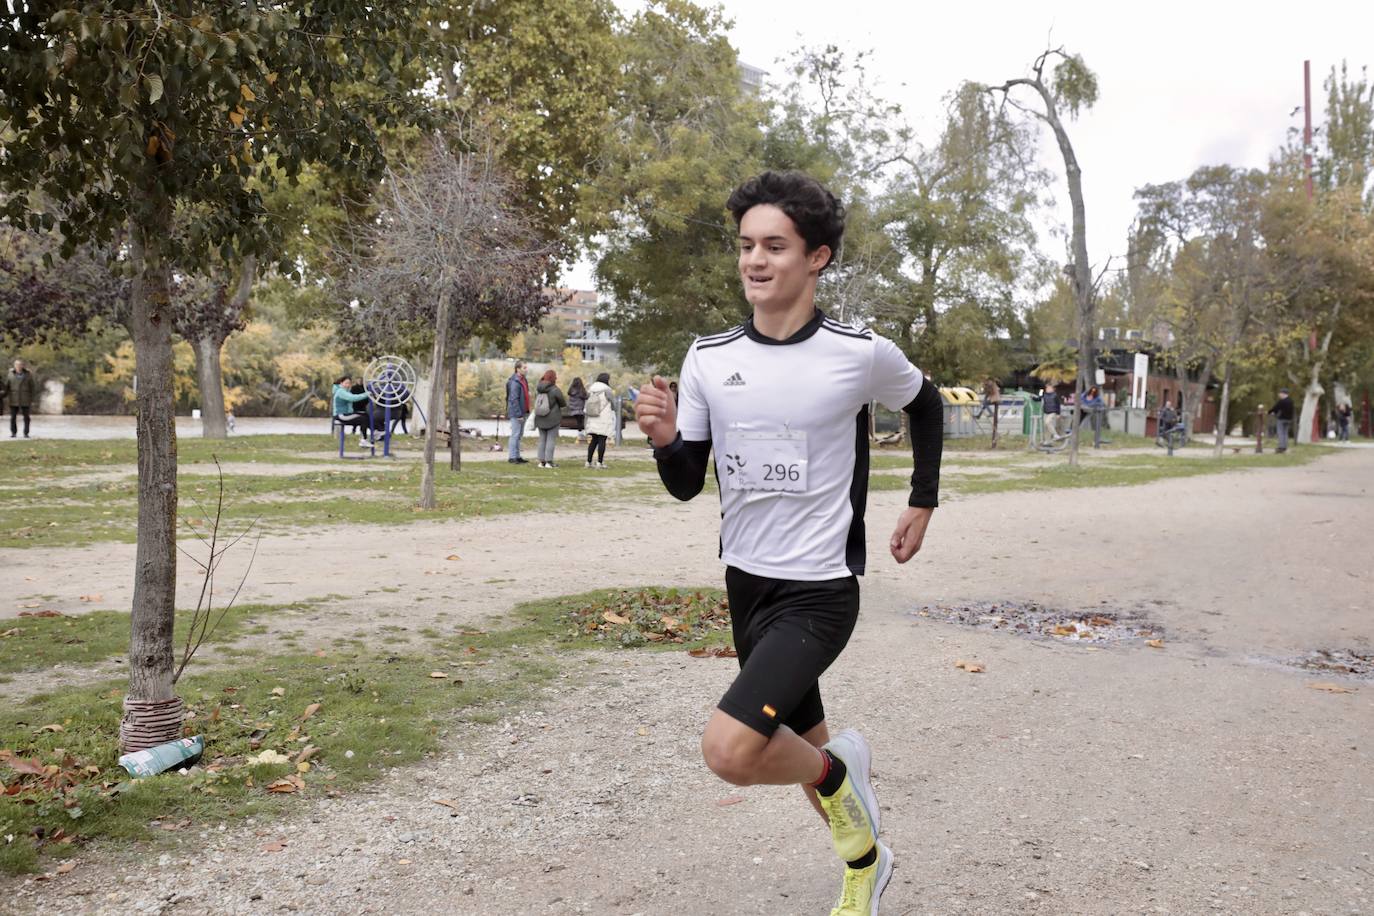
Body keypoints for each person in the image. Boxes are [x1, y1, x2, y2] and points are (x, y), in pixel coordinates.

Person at [635, 170, 942, 916]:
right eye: (746, 246)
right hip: (748, 584)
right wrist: (665, 438)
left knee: (733, 751)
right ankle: (867, 865)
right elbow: (686, 482)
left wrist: (922, 501)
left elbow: (927, 403)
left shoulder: (858, 352)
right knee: (792, 747)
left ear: (818, 258)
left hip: (820, 590)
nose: (755, 261)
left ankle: (842, 775)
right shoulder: (708, 358)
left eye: (775, 245)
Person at [533, 369, 567, 469]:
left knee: (542, 439)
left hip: (539, 418)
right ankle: (549, 462)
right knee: (550, 440)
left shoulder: (538, 388)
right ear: (553, 378)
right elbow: (563, 403)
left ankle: (541, 462)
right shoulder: (555, 389)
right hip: (553, 418)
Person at [584, 372, 616, 468]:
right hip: (603, 417)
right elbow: (613, 403)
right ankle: (599, 462)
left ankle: (588, 461)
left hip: (592, 416)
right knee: (602, 439)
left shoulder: (591, 389)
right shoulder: (607, 390)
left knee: (593, 440)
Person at [505, 361, 531, 464]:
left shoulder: (524, 380)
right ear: (518, 369)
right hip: (517, 413)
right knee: (515, 434)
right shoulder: (515, 382)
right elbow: (513, 399)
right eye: (524, 368)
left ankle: (517, 456)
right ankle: (512, 457)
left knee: (519, 435)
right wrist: (518, 414)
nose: (526, 369)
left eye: (526, 367)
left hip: (523, 411)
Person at [4, 359, 36, 439]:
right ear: (14, 366)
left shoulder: (28, 375)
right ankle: (13, 433)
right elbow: (6, 387)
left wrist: (32, 399)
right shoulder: (10, 374)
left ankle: (26, 433)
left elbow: (32, 387)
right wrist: (3, 395)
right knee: (13, 417)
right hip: (14, 399)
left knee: (26, 417)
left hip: (25, 399)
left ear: (22, 366)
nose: (18, 366)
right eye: (16, 365)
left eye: (20, 365)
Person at [1268, 387, 1295, 453]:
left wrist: (1270, 412)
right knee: (1285, 433)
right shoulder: (1291, 401)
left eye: (1280, 393)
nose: (1279, 395)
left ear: (1283, 394)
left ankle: (1281, 447)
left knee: (1280, 433)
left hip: (1281, 419)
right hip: (1288, 419)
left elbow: (1275, 408)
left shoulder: (1282, 401)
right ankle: (1285, 446)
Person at [567, 376, 588, 443]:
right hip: (579, 410)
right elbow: (586, 397)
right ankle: (581, 434)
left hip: (572, 410)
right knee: (581, 421)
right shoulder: (581, 391)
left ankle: (580, 434)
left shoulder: (571, 390)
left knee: (579, 421)